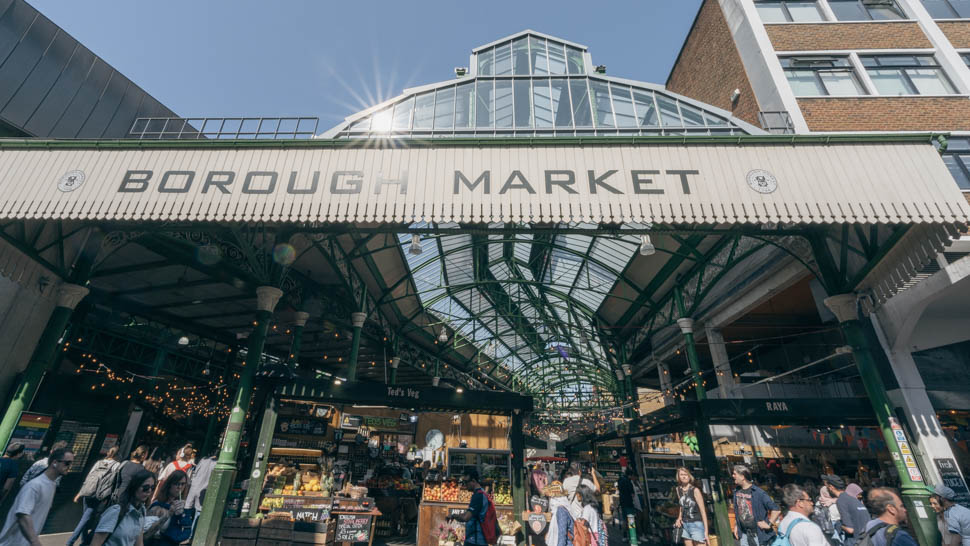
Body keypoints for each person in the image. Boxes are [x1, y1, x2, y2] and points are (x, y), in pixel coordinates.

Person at [0, 447, 74, 546]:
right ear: (55, 462)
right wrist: (35, 542)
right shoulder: (35, 485)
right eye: (67, 463)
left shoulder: (52, 485)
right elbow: (22, 514)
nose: (70, 466)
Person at [68, 446, 121, 546]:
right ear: (117, 455)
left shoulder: (99, 462)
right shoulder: (116, 465)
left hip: (88, 491)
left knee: (85, 518)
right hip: (99, 494)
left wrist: (80, 493)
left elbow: (89, 476)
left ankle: (84, 541)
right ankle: (70, 542)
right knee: (85, 520)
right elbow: (113, 481)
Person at [90, 470, 156, 546]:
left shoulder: (141, 512)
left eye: (152, 488)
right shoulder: (116, 511)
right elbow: (95, 543)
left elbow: (139, 543)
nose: (149, 491)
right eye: (146, 487)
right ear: (134, 486)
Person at [732, 464, 781, 546]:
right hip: (744, 534)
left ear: (742, 476)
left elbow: (776, 509)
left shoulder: (759, 493)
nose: (733, 476)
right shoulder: (737, 491)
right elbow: (738, 511)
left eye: (734, 474)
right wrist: (736, 525)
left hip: (758, 535)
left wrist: (769, 523)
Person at [445, 468, 491, 546]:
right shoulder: (482, 493)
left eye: (466, 482)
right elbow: (470, 514)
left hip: (475, 540)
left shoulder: (478, 496)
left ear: (473, 481)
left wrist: (453, 516)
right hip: (478, 539)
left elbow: (466, 517)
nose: (464, 485)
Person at [146, 470, 191, 546]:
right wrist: (169, 514)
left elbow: (185, 533)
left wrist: (184, 515)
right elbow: (148, 533)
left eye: (182, 484)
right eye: (177, 484)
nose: (179, 487)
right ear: (170, 484)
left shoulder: (183, 505)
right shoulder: (158, 505)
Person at [823, 474, 870, 546]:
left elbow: (850, 529)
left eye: (827, 488)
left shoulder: (841, 500)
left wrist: (838, 524)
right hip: (867, 540)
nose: (827, 490)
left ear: (831, 487)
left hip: (856, 541)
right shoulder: (853, 498)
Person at [673, 467, 709, 546]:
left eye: (686, 474)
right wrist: (679, 518)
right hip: (685, 523)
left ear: (689, 476)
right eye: (681, 474)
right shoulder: (678, 489)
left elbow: (703, 511)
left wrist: (706, 531)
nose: (684, 476)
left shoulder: (695, 490)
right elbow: (681, 506)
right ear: (678, 477)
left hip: (696, 523)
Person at [184, 449, 215, 538]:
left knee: (188, 511)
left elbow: (195, 472)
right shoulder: (216, 463)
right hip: (204, 490)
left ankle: (185, 534)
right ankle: (191, 536)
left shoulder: (203, 460)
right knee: (198, 513)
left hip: (194, 487)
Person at [617, 467, 638, 542]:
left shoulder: (620, 480)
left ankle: (625, 536)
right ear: (631, 475)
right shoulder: (629, 482)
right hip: (629, 503)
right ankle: (632, 537)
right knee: (631, 520)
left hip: (622, 502)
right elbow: (632, 494)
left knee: (624, 520)